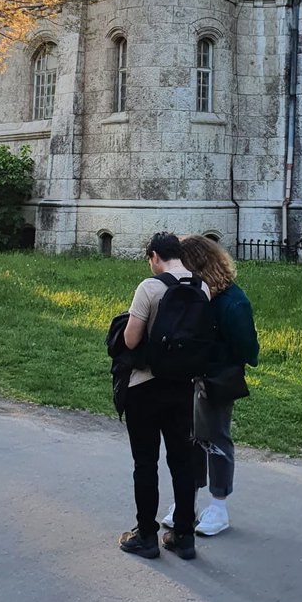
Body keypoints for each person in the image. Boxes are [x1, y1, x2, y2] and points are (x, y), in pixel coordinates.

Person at [117, 231, 210, 561]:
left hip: (145, 386)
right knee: (182, 462)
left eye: (150, 259)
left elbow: (130, 341)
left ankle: (146, 535)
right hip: (183, 387)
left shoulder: (149, 288)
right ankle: (184, 536)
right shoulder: (202, 288)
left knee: (145, 462)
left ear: (155, 256)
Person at [164, 235, 259, 537]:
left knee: (215, 439)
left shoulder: (232, 302)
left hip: (216, 379)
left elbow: (248, 350)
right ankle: (186, 501)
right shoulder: (193, 294)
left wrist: (215, 359)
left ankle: (219, 505)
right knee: (189, 439)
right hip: (188, 377)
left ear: (197, 265)